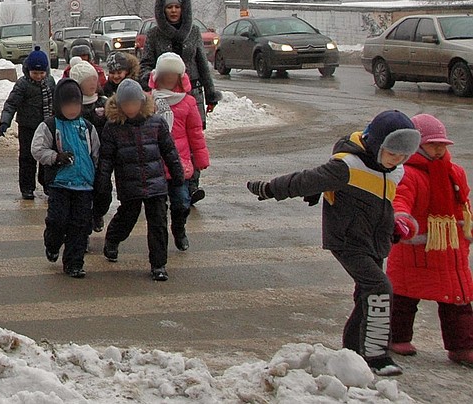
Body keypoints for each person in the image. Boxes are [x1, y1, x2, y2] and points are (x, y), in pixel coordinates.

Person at [246, 110, 422, 377]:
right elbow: (305, 180)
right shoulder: (348, 166)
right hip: (348, 241)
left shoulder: (394, 172)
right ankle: (376, 355)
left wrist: (394, 226)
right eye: (392, 154)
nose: (397, 161)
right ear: (376, 145)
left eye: (402, 156)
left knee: (366, 295)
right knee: (379, 286)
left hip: (375, 242)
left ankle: (351, 352)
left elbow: (386, 204)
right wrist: (269, 188)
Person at [387, 113, 473, 367]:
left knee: (458, 300)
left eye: (442, 145)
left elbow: (463, 204)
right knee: (404, 297)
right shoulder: (407, 174)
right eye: (432, 144)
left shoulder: (453, 172)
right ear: (416, 145)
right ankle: (397, 337)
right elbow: (399, 199)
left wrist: (467, 227)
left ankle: (462, 346)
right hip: (414, 250)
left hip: (449, 249)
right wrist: (400, 219)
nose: (438, 149)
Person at [94, 78, 184, 281]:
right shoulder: (113, 127)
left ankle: (159, 264)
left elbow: (169, 150)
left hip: (156, 183)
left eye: (134, 103)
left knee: (158, 223)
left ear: (142, 102)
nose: (131, 108)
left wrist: (177, 172)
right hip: (129, 182)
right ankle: (112, 240)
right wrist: (103, 181)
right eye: (127, 105)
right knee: (127, 217)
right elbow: (106, 159)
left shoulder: (156, 122)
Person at [31, 78, 101, 277]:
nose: (72, 109)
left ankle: (74, 263)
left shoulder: (87, 127)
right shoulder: (50, 126)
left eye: (75, 105)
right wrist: (55, 157)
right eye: (67, 105)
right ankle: (52, 243)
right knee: (58, 221)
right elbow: (37, 149)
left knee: (80, 226)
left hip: (84, 186)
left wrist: (96, 176)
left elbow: (96, 153)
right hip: (60, 184)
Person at [148, 53, 209, 252]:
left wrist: (200, 158)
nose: (168, 80)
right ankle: (161, 239)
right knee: (158, 209)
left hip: (179, 164)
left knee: (182, 202)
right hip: (156, 163)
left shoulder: (188, 102)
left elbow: (195, 133)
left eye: (172, 76)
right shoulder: (150, 101)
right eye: (165, 75)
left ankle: (179, 228)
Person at [138, 0, 218, 130]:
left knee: (195, 134)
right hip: (165, 96)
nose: (173, 11)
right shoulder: (154, 34)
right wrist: (151, 82)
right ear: (163, 10)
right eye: (169, 7)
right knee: (169, 135)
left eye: (177, 7)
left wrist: (210, 94)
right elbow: (146, 64)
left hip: (193, 92)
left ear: (183, 9)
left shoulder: (193, 32)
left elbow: (202, 64)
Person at [0, 47, 55, 200]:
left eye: (41, 73)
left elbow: (57, 101)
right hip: (27, 127)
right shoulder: (22, 84)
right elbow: (11, 104)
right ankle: (27, 187)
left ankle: (48, 184)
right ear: (28, 70)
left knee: (48, 157)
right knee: (27, 158)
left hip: (47, 127)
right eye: (35, 73)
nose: (38, 76)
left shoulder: (50, 82)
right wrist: (5, 122)